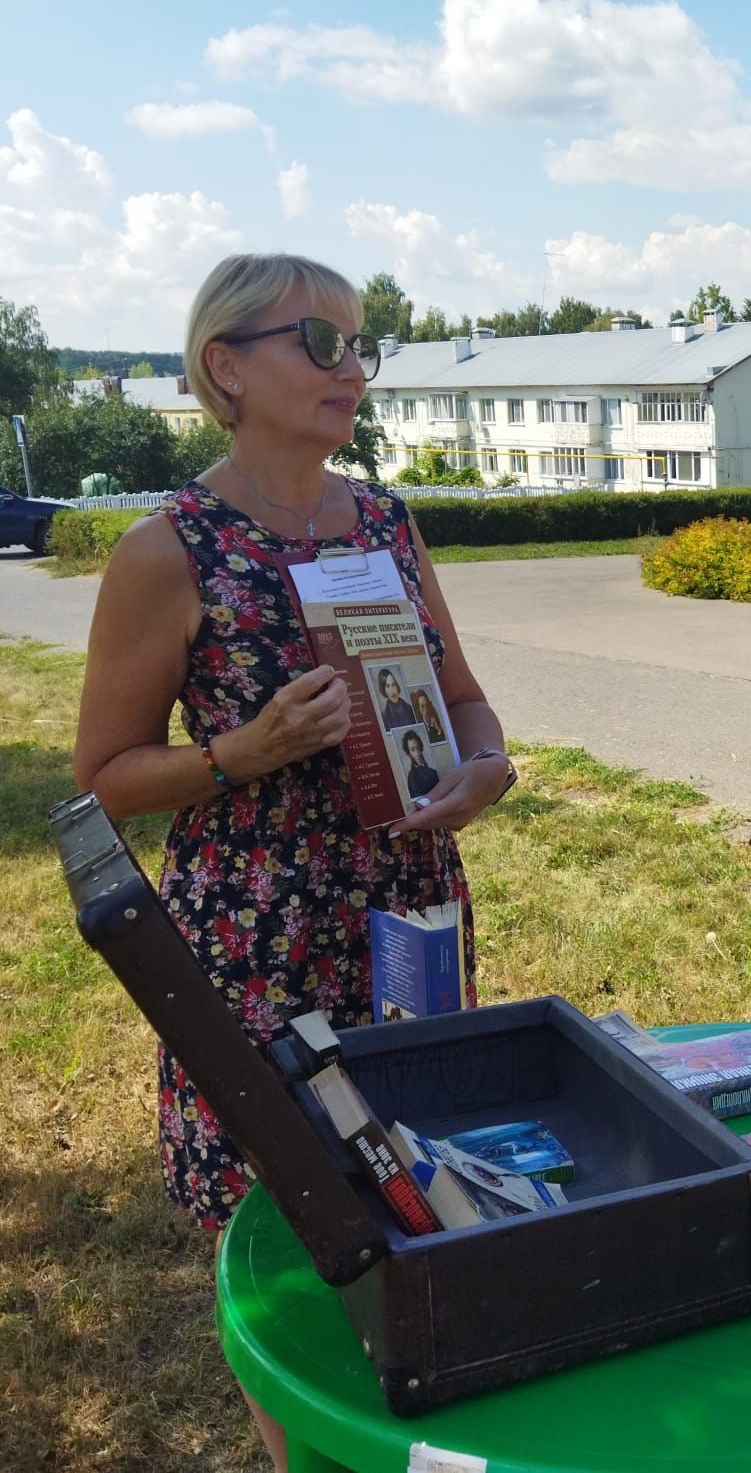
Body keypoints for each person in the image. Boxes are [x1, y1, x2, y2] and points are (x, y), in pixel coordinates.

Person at [72, 252, 516, 1472]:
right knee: (279, 1227)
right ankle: (298, 1454)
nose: (354, 370)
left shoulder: (384, 518)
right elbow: (104, 773)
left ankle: (399, 1432)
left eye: (362, 344)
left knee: (412, 1192)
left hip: (410, 915)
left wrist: (487, 770)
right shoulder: (170, 548)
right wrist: (243, 751)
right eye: (320, 345)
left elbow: (466, 701)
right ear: (227, 365)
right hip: (259, 942)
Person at [401, 728, 440, 798]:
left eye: (418, 747)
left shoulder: (433, 772)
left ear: (421, 748)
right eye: (412, 750)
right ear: (409, 753)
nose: (417, 753)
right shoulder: (410, 777)